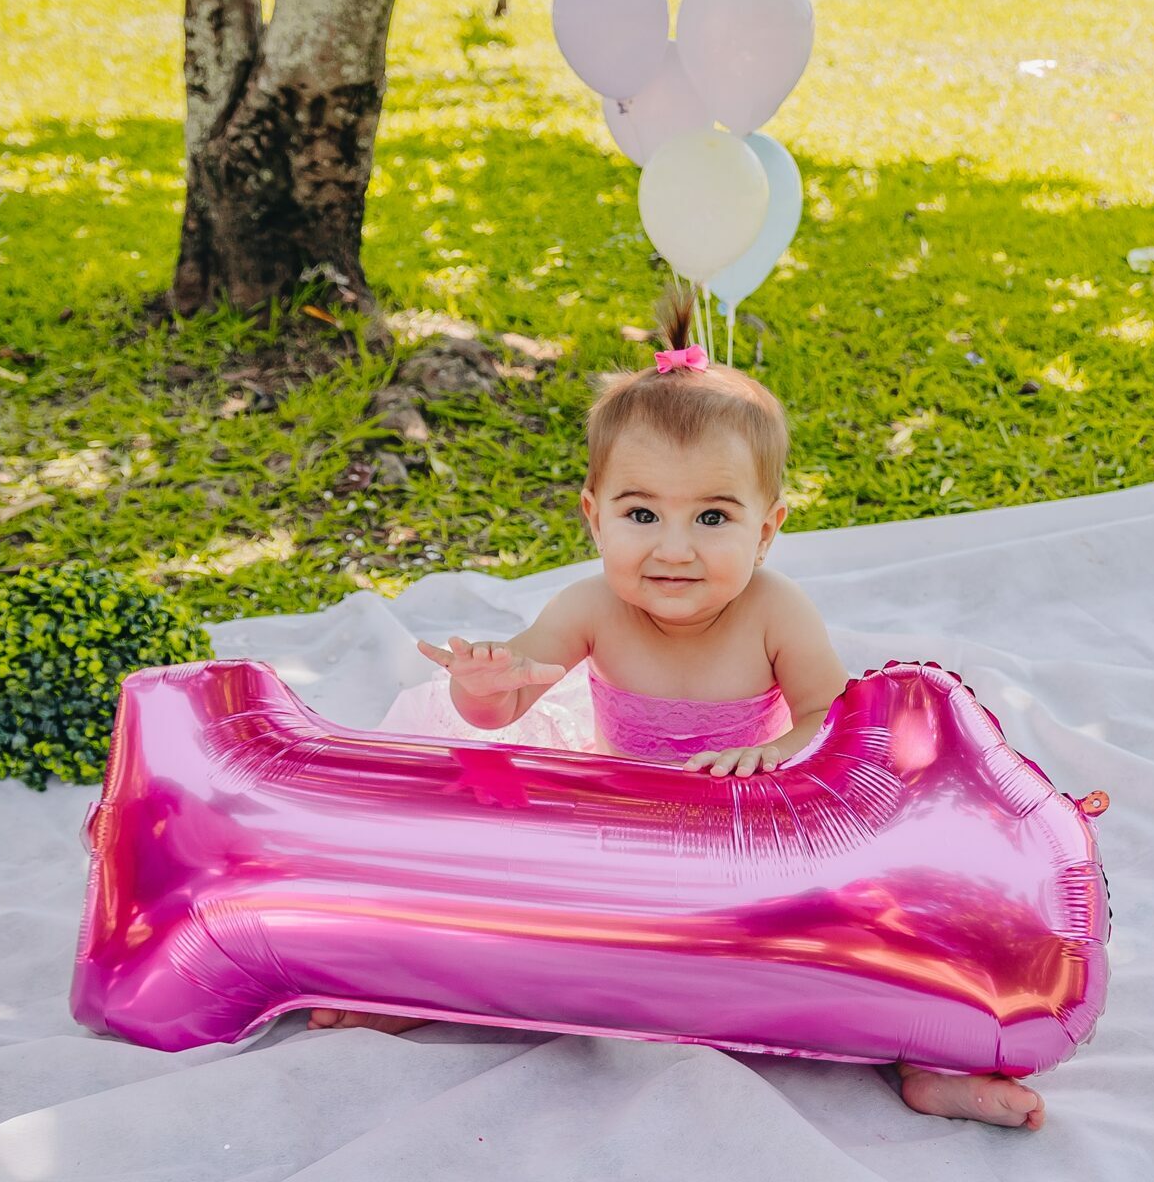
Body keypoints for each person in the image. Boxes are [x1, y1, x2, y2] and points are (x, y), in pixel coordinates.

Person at [311, 284, 1047, 1130]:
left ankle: (927, 1058)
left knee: (869, 916)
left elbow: (836, 722)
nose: (674, 548)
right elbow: (506, 705)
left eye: (712, 517)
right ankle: (423, 989)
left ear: (766, 529)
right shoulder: (590, 607)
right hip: (623, 838)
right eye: (641, 513)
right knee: (504, 891)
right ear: (594, 518)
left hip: (749, 838)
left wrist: (778, 754)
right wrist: (483, 688)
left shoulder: (775, 611)